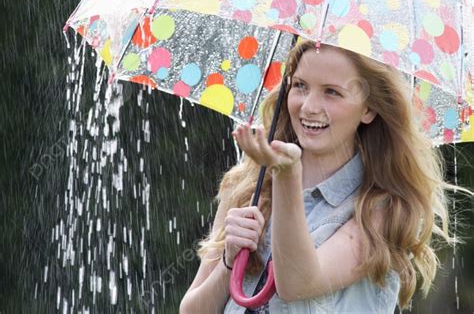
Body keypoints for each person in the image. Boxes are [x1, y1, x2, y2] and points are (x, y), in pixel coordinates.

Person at [179, 40, 461, 313]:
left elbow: (298, 283)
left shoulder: (381, 209)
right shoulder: (248, 187)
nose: (309, 106)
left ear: (369, 108)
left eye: (332, 92)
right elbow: (192, 311)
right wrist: (229, 260)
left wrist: (286, 176)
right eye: (300, 86)